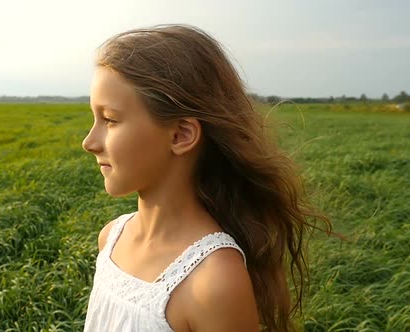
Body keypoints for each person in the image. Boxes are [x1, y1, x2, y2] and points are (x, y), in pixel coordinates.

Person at [81, 24, 332, 332]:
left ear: (180, 134)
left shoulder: (213, 282)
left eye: (110, 119)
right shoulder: (111, 238)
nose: (89, 142)